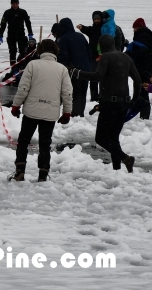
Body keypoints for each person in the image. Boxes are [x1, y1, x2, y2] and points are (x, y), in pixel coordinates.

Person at [72, 34, 141, 173]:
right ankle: (117, 169)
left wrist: (77, 73)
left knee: (101, 138)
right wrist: (133, 100)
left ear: (102, 45)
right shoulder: (126, 57)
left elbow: (98, 76)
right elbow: (138, 80)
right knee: (113, 137)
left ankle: (125, 158)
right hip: (123, 103)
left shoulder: (106, 57)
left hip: (110, 104)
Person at [9, 39, 73, 182]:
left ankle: (20, 172)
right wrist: (67, 112)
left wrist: (16, 106)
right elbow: (67, 93)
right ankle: (43, 174)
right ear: (55, 51)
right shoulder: (62, 69)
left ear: (40, 50)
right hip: (50, 113)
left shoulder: (32, 65)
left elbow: (23, 88)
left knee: (23, 141)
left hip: (31, 111)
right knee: (45, 144)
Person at [55, 18, 90, 117]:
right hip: (86, 70)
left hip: (73, 70)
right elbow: (88, 51)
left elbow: (63, 55)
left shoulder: (64, 38)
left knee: (73, 92)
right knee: (83, 92)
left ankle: (74, 114)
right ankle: (80, 113)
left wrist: (63, 67)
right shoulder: (81, 36)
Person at [125, 18, 152, 120]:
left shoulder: (142, 36)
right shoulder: (146, 36)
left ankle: (144, 116)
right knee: (143, 91)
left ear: (138, 27)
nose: (133, 30)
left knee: (142, 91)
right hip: (147, 67)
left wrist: (128, 54)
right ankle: (142, 114)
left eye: (134, 28)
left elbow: (141, 52)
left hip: (143, 68)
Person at [0, 0, 33, 66]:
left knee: (23, 52)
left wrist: (30, 33)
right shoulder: (7, 13)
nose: (15, 5)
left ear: (18, 4)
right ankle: (13, 69)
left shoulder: (23, 12)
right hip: (11, 35)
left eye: (16, 4)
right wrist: (0, 35)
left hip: (21, 35)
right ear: (11, 4)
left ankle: (21, 66)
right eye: (13, 4)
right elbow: (3, 24)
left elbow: (28, 23)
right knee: (12, 52)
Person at [77, 11, 104, 101]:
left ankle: (102, 94)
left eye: (98, 19)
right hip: (93, 57)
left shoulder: (104, 29)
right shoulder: (92, 29)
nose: (96, 21)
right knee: (93, 76)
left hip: (103, 56)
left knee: (103, 77)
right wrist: (81, 27)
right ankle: (94, 96)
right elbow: (87, 29)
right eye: (95, 19)